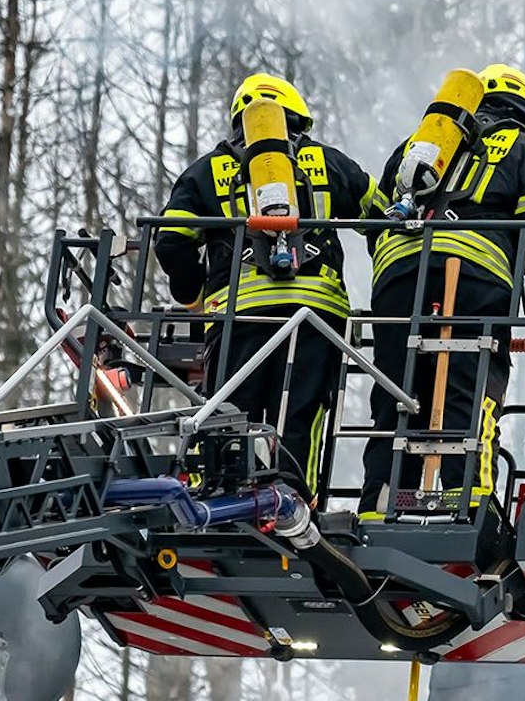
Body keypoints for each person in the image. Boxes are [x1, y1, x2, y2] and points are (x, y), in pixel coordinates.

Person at [359, 63, 525, 517]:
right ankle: (469, 507)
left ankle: (378, 506)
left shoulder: (418, 147)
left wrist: (409, 265)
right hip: (475, 279)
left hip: (398, 278)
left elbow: (375, 224)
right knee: (466, 394)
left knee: (396, 393)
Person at [155, 73, 376, 495]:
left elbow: (171, 241)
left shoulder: (207, 170)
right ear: (297, 117)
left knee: (229, 413)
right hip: (317, 313)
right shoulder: (329, 162)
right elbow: (385, 218)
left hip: (239, 310)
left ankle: (220, 499)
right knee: (301, 412)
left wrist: (193, 295)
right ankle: (295, 499)